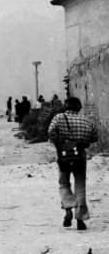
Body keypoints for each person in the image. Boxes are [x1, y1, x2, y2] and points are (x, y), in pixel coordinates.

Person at [47, 97, 98, 230]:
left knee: (64, 183)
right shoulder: (87, 120)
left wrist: (61, 144)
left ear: (66, 106)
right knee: (80, 185)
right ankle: (80, 218)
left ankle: (68, 208)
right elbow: (94, 137)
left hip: (63, 154)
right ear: (79, 107)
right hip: (79, 155)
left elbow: (50, 132)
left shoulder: (59, 118)